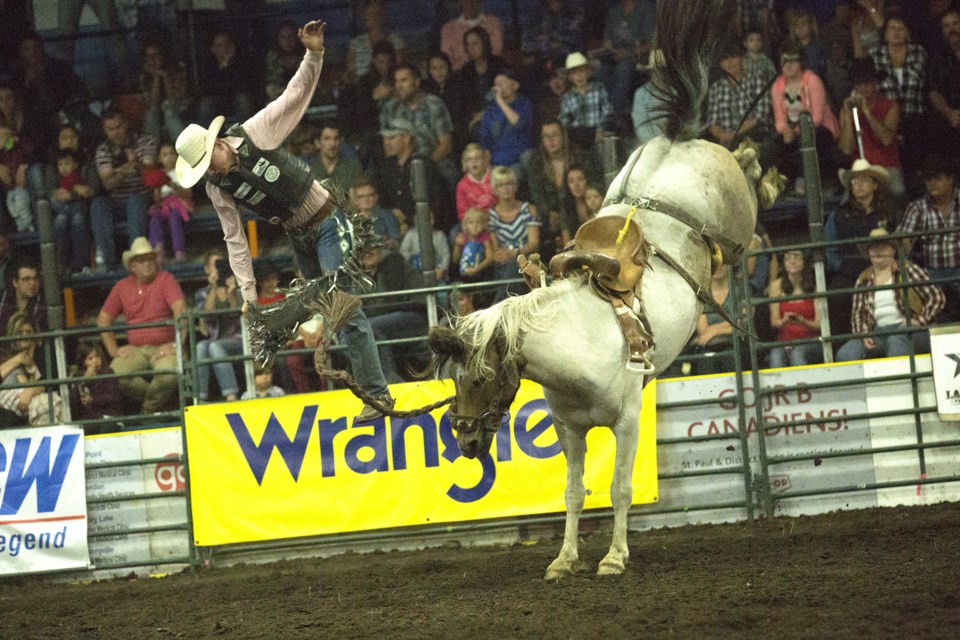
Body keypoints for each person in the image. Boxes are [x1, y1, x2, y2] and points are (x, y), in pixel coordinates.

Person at [96, 237, 186, 414]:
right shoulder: (122, 286)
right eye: (141, 260)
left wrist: (176, 344)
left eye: (149, 259)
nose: (146, 263)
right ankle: (160, 405)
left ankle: (147, 411)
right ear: (132, 267)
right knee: (114, 375)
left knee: (169, 374)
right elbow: (103, 319)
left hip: (164, 346)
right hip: (136, 350)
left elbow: (180, 310)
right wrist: (114, 350)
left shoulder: (165, 279)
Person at [836, 229, 944, 361]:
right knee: (846, 353)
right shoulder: (863, 279)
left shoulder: (908, 270)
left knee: (897, 341)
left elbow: (937, 297)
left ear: (893, 250)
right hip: (878, 332)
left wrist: (919, 321)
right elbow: (858, 314)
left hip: (911, 330)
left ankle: (902, 381)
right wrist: (864, 335)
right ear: (869, 252)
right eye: (874, 248)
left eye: (883, 247)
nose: (878, 251)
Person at [826, 159, 897, 337]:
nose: (858, 185)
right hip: (849, 274)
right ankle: (844, 342)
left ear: (875, 184)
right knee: (837, 295)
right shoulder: (839, 214)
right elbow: (829, 247)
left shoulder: (888, 213)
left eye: (863, 180)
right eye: (854, 181)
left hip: (885, 272)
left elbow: (899, 243)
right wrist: (840, 266)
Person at [769, 42, 840, 196]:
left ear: (801, 62)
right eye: (784, 61)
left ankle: (802, 184)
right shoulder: (777, 86)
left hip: (819, 129)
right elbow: (779, 119)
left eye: (792, 61)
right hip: (793, 131)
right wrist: (785, 130)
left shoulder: (812, 80)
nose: (788, 65)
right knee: (775, 142)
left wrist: (796, 132)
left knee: (805, 138)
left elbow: (817, 117)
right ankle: (777, 185)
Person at [91, 108, 156, 271]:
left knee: (135, 200)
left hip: (142, 197)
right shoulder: (103, 150)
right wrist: (127, 168)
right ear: (104, 130)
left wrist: (136, 164)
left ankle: (137, 257)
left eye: (118, 127)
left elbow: (151, 176)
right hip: (117, 201)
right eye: (110, 129)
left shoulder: (145, 141)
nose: (116, 132)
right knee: (98, 204)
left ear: (126, 124)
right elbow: (108, 184)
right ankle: (108, 260)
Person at [897, 154, 960, 321]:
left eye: (937, 178)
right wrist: (903, 246)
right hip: (932, 273)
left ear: (950, 178)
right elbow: (902, 241)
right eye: (928, 179)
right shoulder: (918, 207)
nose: (931, 183)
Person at [867, 13, 927, 187]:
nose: (896, 32)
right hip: (885, 118)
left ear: (908, 33)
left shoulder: (918, 52)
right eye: (892, 28)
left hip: (913, 115)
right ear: (885, 33)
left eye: (901, 29)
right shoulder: (874, 54)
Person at [378, 63, 457, 189]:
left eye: (404, 80)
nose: (399, 86)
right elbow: (387, 146)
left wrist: (425, 166)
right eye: (397, 81)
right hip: (400, 162)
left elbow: (445, 145)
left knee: (448, 172)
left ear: (417, 82)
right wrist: (401, 168)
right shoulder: (390, 108)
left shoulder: (434, 104)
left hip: (431, 159)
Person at [361, 245, 431, 385]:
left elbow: (392, 302)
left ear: (381, 248)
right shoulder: (361, 275)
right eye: (361, 250)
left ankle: (388, 379)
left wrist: (365, 313)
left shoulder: (393, 261)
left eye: (371, 247)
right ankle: (369, 382)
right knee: (350, 332)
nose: (366, 253)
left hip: (414, 315)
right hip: (388, 320)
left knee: (368, 327)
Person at [837, 58, 905, 199]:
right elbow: (846, 149)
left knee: (898, 191)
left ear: (875, 83)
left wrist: (867, 112)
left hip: (887, 167)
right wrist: (850, 117)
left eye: (867, 82)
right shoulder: (847, 109)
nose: (863, 88)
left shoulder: (891, 106)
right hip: (861, 170)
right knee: (846, 202)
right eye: (859, 84)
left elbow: (886, 139)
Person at [374, 117, 445, 231]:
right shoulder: (384, 167)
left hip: (419, 227)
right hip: (389, 226)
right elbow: (380, 199)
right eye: (385, 138)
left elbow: (435, 201)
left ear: (406, 138)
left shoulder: (425, 165)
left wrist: (409, 218)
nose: (386, 143)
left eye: (392, 138)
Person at [194, 249, 243, 403]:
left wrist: (232, 294)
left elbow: (239, 314)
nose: (217, 268)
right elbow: (207, 315)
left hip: (239, 340)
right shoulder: (202, 293)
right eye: (214, 265)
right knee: (201, 347)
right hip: (216, 339)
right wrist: (214, 289)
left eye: (220, 264)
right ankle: (200, 398)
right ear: (207, 269)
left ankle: (231, 396)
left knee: (215, 347)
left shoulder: (238, 288)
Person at [706, 40, 773, 152]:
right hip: (726, 141)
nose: (730, 62)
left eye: (733, 57)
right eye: (725, 59)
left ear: (742, 58)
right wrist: (722, 135)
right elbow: (712, 123)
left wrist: (734, 134)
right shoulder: (716, 88)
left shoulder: (757, 79)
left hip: (755, 136)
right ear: (720, 64)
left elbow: (761, 116)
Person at [0, 311, 61, 427]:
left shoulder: (42, 355)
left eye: (28, 332)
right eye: (20, 332)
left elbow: (48, 383)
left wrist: (30, 391)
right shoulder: (4, 355)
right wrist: (18, 359)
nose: (24, 336)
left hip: (30, 404)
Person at [596, 0, 657, 116]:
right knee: (601, 72)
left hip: (638, 56)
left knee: (623, 69)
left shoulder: (646, 8)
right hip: (616, 55)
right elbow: (607, 39)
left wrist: (628, 53)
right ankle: (606, 113)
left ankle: (619, 114)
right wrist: (609, 49)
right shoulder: (614, 9)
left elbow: (651, 43)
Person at [488, 166, 540, 298]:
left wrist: (515, 253)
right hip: (503, 262)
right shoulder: (491, 214)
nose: (505, 188)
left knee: (516, 263)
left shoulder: (528, 209)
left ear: (515, 187)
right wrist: (499, 254)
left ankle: (499, 304)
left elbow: (534, 243)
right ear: (495, 189)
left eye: (509, 184)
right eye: (500, 185)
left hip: (526, 257)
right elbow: (495, 249)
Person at [768, 250, 822, 368]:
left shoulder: (815, 285)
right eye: (788, 258)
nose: (792, 261)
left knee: (798, 354)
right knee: (775, 356)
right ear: (784, 263)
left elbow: (821, 324)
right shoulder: (776, 287)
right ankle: (780, 386)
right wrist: (784, 321)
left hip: (811, 341)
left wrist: (803, 321)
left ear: (804, 262)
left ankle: (802, 386)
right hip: (785, 341)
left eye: (797, 257)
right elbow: (774, 321)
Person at [475, 72, 535, 175]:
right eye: (496, 84)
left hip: (518, 160)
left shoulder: (525, 104)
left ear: (515, 85)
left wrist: (500, 101)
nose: (498, 87)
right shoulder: (490, 110)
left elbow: (520, 124)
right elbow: (485, 140)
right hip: (496, 162)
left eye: (502, 83)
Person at [195, 30, 255, 126]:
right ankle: (205, 138)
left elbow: (244, 85)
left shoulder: (242, 61)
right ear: (213, 49)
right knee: (205, 104)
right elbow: (208, 89)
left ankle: (247, 136)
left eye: (226, 44)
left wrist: (229, 66)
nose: (223, 48)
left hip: (236, 99)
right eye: (219, 45)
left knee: (243, 100)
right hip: (217, 101)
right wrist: (222, 68)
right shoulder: (208, 64)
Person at [147, 143, 192, 262]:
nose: (169, 157)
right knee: (155, 218)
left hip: (180, 203)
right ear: (159, 159)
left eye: (172, 153)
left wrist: (173, 186)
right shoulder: (158, 174)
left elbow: (188, 194)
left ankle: (179, 250)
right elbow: (157, 199)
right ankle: (158, 251)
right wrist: (158, 187)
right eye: (165, 154)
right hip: (163, 206)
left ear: (177, 156)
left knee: (174, 217)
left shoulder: (182, 171)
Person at [558, 52, 612, 150]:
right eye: (574, 73)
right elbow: (564, 120)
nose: (578, 75)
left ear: (588, 72)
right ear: (570, 77)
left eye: (581, 71)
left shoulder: (599, 88)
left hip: (599, 133)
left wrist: (600, 131)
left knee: (602, 147)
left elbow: (607, 112)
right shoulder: (568, 97)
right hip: (578, 137)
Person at [139, 40, 190, 145]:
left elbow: (175, 97)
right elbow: (152, 103)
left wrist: (166, 76)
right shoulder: (144, 76)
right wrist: (157, 77)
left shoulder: (178, 68)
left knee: (168, 108)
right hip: (156, 111)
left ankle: (186, 148)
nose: (153, 60)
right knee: (151, 113)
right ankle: (150, 154)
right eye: (149, 56)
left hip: (180, 108)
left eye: (156, 55)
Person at [345, 0, 406, 83]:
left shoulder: (396, 41)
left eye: (378, 14)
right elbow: (350, 72)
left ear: (384, 16)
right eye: (370, 14)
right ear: (364, 17)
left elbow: (401, 69)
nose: (374, 18)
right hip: (362, 88)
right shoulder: (356, 43)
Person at [68, 341, 122, 433]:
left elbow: (112, 397)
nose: (95, 361)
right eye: (90, 358)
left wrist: (93, 399)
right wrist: (85, 380)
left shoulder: (108, 372)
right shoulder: (78, 377)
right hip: (88, 419)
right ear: (84, 362)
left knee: (106, 429)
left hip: (109, 417)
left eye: (97, 357)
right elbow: (74, 402)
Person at [928, 7, 960, 156]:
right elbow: (934, 91)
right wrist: (949, 113)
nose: (951, 29)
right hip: (951, 117)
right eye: (946, 26)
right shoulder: (939, 58)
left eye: (955, 23)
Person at [440, 0, 504, 71]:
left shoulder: (494, 24)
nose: (470, 3)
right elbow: (447, 59)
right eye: (466, 1)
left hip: (491, 72)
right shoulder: (448, 29)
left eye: (474, 1)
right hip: (460, 76)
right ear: (460, 2)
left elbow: (496, 52)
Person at [349, 176, 402, 251]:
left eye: (370, 195)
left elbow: (395, 240)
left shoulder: (386, 216)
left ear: (376, 197)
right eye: (361, 196)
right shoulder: (349, 218)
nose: (366, 199)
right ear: (355, 200)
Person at [0, 122, 35, 233]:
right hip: (10, 188)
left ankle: (28, 224)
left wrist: (16, 140)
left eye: (3, 139)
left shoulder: (18, 148)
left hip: (21, 186)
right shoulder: (3, 155)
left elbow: (31, 150)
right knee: (12, 206)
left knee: (22, 203)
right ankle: (20, 225)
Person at [310, 122, 362, 189]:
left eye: (336, 138)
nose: (333, 144)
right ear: (317, 143)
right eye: (327, 138)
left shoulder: (352, 167)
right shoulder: (309, 169)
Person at [265, 20, 306, 101]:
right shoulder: (273, 58)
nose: (287, 41)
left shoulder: (306, 56)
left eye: (290, 36)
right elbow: (271, 87)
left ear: (296, 37)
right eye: (283, 37)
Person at [453, 207, 493, 281]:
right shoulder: (462, 237)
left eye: (478, 222)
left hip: (481, 270)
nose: (475, 226)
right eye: (471, 222)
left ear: (483, 224)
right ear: (466, 225)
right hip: (464, 270)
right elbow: (455, 260)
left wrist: (477, 269)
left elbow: (489, 258)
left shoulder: (485, 238)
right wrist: (457, 246)